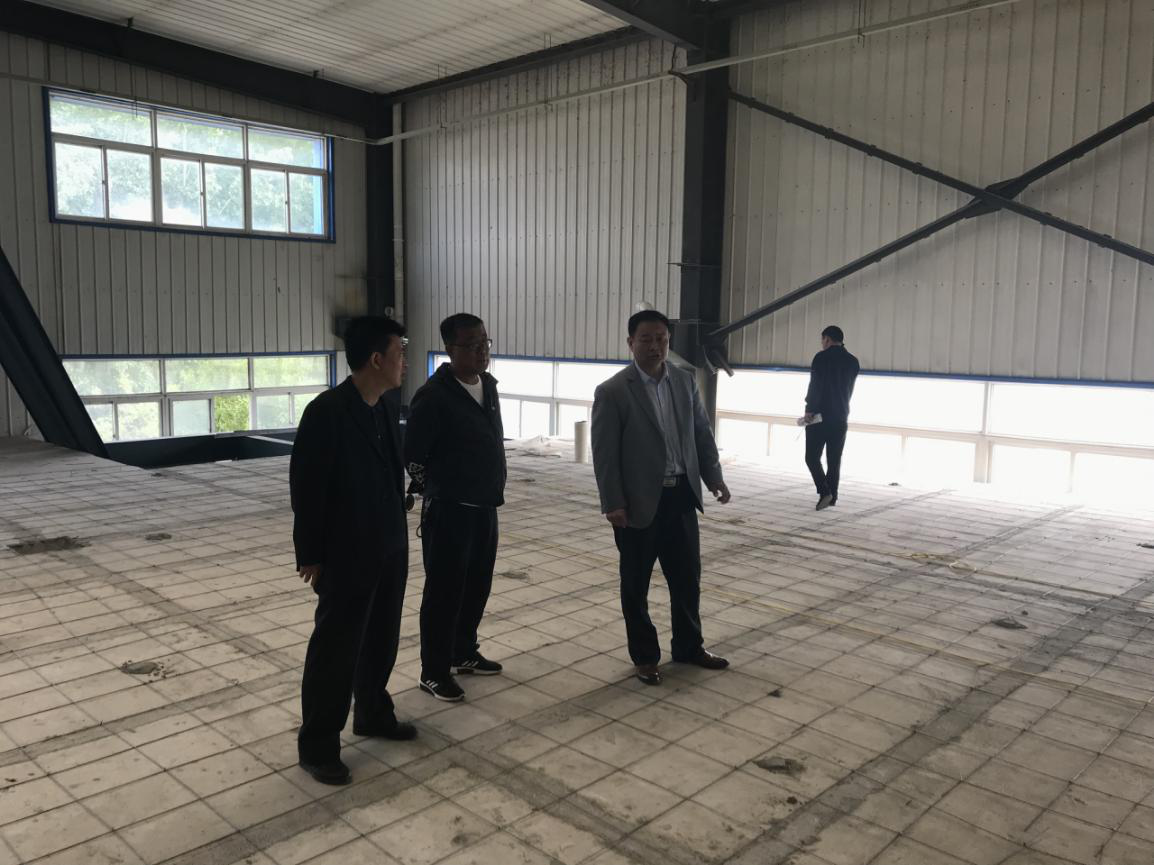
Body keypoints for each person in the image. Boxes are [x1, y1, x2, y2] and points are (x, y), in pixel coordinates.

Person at [290, 316, 416, 787]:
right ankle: (318, 746)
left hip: (389, 546)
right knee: (336, 651)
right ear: (376, 359)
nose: (405, 362)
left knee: (382, 638)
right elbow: (307, 488)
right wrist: (310, 554)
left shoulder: (385, 406)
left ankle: (373, 712)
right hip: (346, 554)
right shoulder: (327, 412)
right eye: (400, 353)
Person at [591, 309, 732, 686]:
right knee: (635, 584)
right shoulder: (613, 391)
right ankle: (645, 657)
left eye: (662, 340)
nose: (655, 346)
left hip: (681, 496)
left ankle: (689, 646)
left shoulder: (684, 381)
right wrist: (612, 502)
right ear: (630, 343)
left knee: (687, 579)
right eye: (646, 340)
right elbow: (604, 453)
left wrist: (714, 477)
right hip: (638, 502)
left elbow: (701, 432)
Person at [405, 313, 507, 702]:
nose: (482, 351)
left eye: (485, 343)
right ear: (450, 349)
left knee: (478, 584)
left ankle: (462, 651)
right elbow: (413, 456)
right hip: (450, 512)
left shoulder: (488, 386)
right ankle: (433, 671)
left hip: (485, 505)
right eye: (472, 345)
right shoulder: (433, 396)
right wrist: (441, 489)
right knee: (444, 593)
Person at [803, 325, 860, 510]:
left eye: (822, 340)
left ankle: (824, 491)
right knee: (834, 460)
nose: (822, 344)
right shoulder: (853, 362)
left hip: (819, 417)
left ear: (827, 339)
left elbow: (815, 385)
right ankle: (833, 496)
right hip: (841, 417)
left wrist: (809, 409)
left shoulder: (821, 358)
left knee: (812, 457)